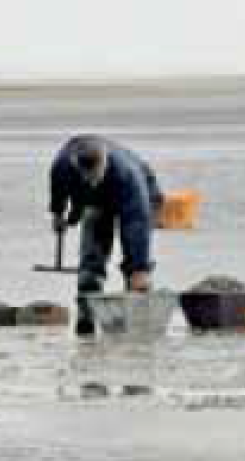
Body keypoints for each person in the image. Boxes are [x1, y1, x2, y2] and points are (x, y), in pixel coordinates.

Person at [48, 134, 162, 335]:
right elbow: (59, 190)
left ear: (104, 163)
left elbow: (137, 222)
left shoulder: (127, 175)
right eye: (86, 177)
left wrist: (139, 267)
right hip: (96, 201)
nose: (91, 181)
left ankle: (137, 321)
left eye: (95, 176)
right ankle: (86, 319)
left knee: (136, 272)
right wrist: (59, 214)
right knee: (90, 262)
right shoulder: (62, 165)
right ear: (76, 165)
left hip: (140, 197)